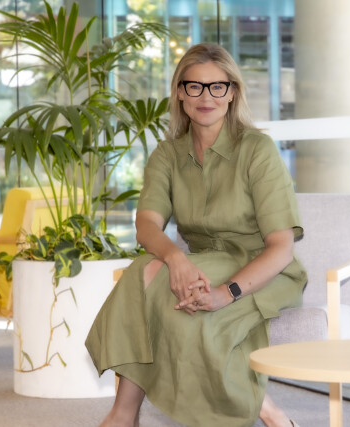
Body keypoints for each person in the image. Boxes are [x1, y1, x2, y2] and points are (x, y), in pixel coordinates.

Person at [86, 42, 307, 427]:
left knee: (177, 308)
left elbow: (281, 248)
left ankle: (269, 414)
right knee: (142, 272)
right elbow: (146, 224)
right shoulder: (167, 154)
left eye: (217, 86)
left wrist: (226, 293)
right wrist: (176, 259)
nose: (206, 97)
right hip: (203, 262)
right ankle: (122, 415)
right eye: (195, 86)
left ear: (232, 92)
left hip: (262, 268)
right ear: (179, 93)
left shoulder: (257, 149)